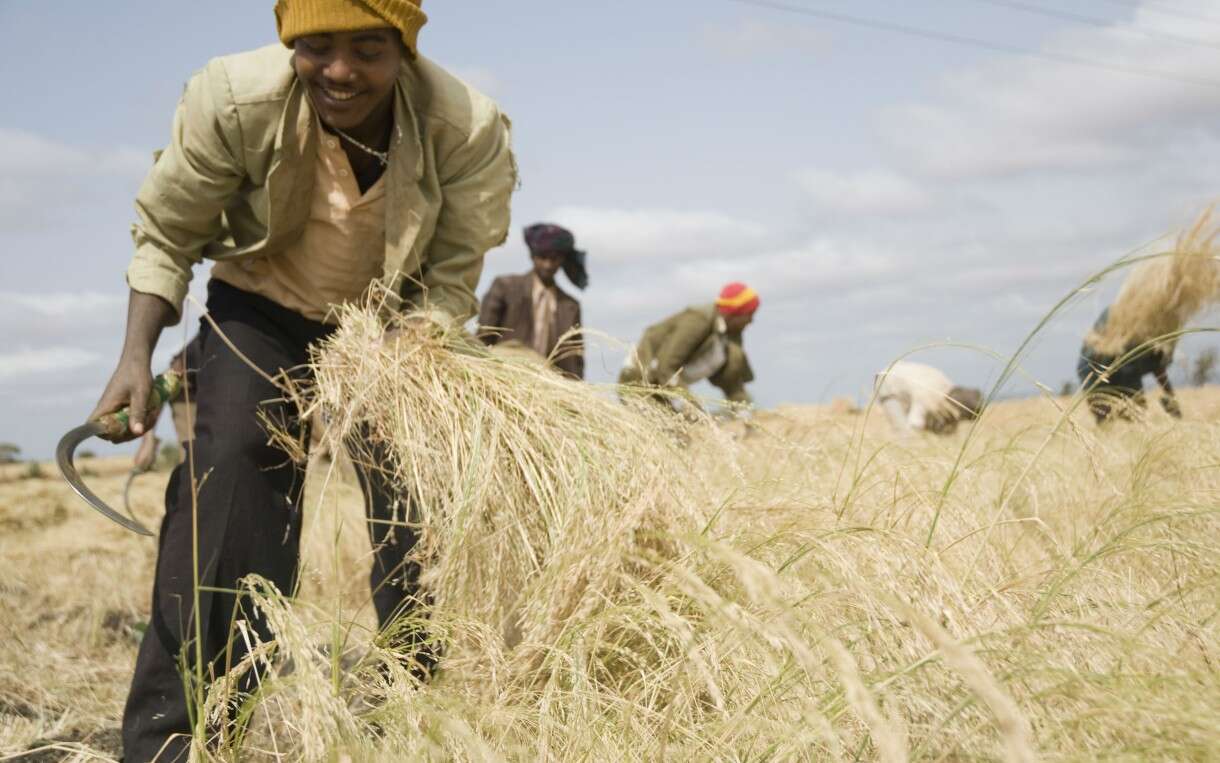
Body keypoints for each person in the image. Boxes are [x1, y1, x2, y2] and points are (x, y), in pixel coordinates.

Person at [88, 2, 516, 759]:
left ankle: (414, 711)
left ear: (406, 51)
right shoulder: (233, 98)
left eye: (368, 49)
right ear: (289, 42)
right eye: (315, 47)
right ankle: (183, 732)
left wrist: (406, 350)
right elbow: (169, 233)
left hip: (392, 325)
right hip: (262, 306)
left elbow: (453, 274)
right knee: (231, 480)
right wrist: (134, 359)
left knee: (413, 501)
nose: (341, 71)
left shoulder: (466, 126)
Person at [619, 283, 759, 409]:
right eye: (749, 314)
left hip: (667, 389)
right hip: (642, 384)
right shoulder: (699, 321)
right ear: (735, 313)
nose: (751, 321)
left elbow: (732, 380)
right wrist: (693, 409)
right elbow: (665, 368)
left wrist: (743, 412)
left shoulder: (728, 336)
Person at [477, 223, 587, 380]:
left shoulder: (570, 305)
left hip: (551, 386)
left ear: (562, 260)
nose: (548, 265)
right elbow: (483, 337)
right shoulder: (506, 288)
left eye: (554, 259)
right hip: (506, 379)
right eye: (542, 257)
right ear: (532, 256)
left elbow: (575, 359)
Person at [1077, 307, 1181, 423]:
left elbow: (1158, 367)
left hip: (1119, 370)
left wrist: (1171, 398)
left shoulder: (1152, 334)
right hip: (1097, 370)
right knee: (1107, 417)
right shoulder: (1121, 319)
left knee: (1134, 416)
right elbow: (1157, 367)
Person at [873, 361, 983, 435]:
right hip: (887, 383)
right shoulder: (928, 396)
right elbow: (914, 423)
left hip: (901, 378)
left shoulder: (946, 385)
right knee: (904, 433)